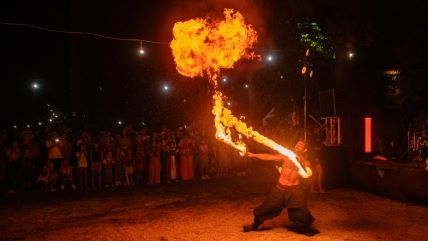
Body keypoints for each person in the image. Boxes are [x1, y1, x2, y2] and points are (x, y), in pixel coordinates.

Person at [242, 151, 318, 236]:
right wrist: (253, 154)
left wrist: (301, 165)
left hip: (294, 190)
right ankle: (255, 225)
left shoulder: (306, 162)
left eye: (300, 145)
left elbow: (308, 173)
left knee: (301, 211)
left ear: (305, 150)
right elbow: (268, 156)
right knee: (266, 207)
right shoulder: (286, 157)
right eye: (297, 145)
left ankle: (305, 229)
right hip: (279, 188)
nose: (297, 146)